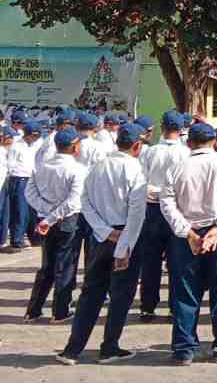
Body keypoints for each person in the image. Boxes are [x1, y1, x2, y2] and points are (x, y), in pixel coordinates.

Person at [56, 122, 148, 365]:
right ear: (137, 146)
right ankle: (109, 347)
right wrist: (123, 246)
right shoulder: (135, 170)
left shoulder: (98, 167)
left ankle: (72, 350)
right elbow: (136, 214)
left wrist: (104, 231)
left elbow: (85, 202)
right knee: (120, 297)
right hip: (123, 237)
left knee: (90, 295)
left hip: (101, 237)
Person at [159, 121, 217, 365]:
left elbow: (166, 202)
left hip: (189, 236)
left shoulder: (177, 168)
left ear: (189, 143)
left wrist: (188, 232)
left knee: (185, 292)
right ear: (216, 142)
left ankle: (184, 347)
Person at [23, 126, 88, 323]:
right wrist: (52, 216)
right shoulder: (78, 169)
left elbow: (30, 194)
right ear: (74, 147)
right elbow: (73, 201)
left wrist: (46, 214)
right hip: (67, 220)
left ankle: (33, 310)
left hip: (46, 219)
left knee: (47, 266)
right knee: (65, 267)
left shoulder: (42, 166)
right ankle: (60, 311)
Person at [136, 110, 190, 321]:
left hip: (153, 210)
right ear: (182, 129)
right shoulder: (185, 153)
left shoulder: (149, 152)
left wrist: (155, 192)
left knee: (151, 260)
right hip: (177, 210)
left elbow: (140, 181)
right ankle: (175, 306)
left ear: (162, 126)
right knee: (177, 261)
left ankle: (148, 306)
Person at [5, 120, 40, 250]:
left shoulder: (34, 146)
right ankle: (17, 239)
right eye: (33, 136)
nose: (35, 138)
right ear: (27, 134)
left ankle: (34, 237)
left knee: (32, 211)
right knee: (20, 211)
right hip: (19, 179)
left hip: (31, 179)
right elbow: (11, 165)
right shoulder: (16, 146)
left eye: (37, 136)